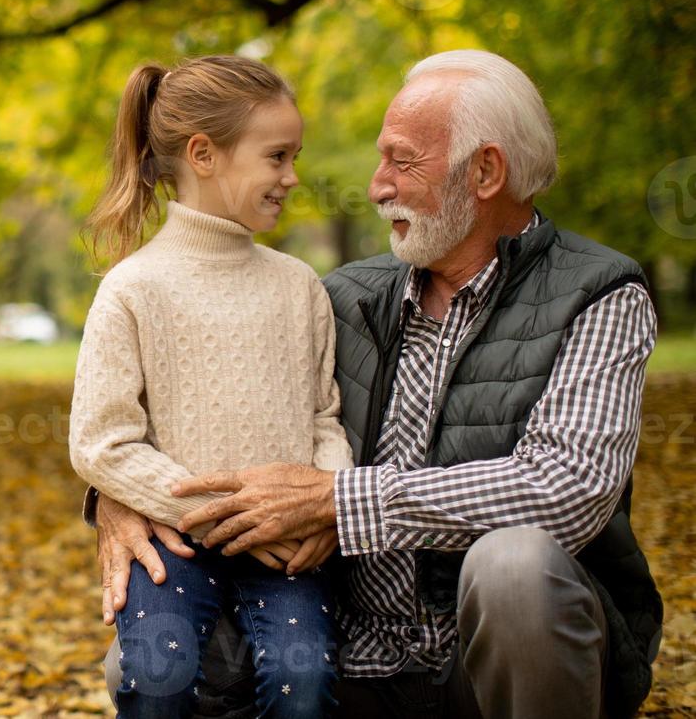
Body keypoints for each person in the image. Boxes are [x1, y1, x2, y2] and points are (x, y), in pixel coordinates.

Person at [83, 50, 662, 719]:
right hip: (347, 657)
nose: (376, 186)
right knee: (142, 655)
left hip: (485, 670)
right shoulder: (341, 296)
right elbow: (211, 392)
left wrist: (341, 501)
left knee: (515, 568)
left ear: (485, 171)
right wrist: (117, 498)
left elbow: (568, 488)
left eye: (402, 161)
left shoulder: (598, 294)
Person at [69, 54, 355, 718]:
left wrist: (330, 502)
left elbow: (323, 418)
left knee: (303, 682)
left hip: (286, 546)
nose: (293, 177)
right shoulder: (133, 289)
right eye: (277, 157)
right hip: (174, 540)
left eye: (295, 157)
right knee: (159, 673)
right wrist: (226, 516)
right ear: (203, 153)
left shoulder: (297, 286)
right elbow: (101, 443)